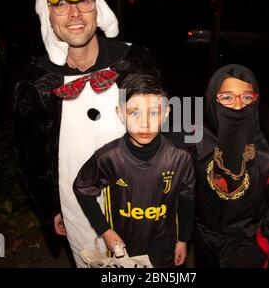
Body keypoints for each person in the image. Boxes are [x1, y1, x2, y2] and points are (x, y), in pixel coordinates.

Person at [14, 0, 159, 267]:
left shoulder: (134, 61)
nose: (75, 14)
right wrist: (50, 207)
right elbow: (31, 157)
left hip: (138, 203)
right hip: (75, 209)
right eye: (61, 5)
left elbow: (164, 133)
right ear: (49, 18)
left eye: (83, 1)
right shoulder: (36, 81)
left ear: (99, 8)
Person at [73, 72, 196, 267]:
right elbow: (82, 189)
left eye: (154, 113)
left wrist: (183, 240)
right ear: (121, 113)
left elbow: (187, 202)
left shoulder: (180, 158)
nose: (145, 123)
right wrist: (104, 230)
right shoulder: (107, 158)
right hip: (123, 248)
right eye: (135, 113)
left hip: (163, 248)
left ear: (166, 114)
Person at [194, 64, 269, 268]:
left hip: (245, 243)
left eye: (246, 97)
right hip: (203, 240)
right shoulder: (196, 142)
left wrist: (262, 245)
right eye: (228, 97)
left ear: (255, 101)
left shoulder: (268, 159)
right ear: (214, 99)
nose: (238, 106)